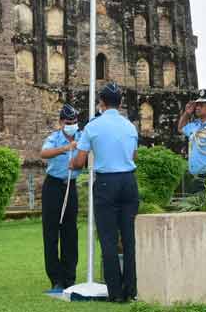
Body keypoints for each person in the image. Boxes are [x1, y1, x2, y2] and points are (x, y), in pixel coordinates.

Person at [71, 83, 138, 303]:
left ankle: (116, 293)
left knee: (108, 239)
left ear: (101, 102)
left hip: (107, 183)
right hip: (128, 181)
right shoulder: (130, 126)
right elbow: (133, 156)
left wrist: (73, 163)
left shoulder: (93, 126)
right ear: (120, 103)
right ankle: (131, 289)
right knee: (129, 238)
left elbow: (80, 161)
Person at [40, 104, 80, 292]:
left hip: (70, 186)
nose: (72, 125)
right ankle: (56, 279)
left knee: (70, 233)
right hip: (53, 186)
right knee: (51, 233)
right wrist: (65, 148)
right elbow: (44, 153)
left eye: (74, 122)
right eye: (68, 122)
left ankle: (69, 277)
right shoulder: (54, 138)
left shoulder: (81, 138)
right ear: (61, 122)